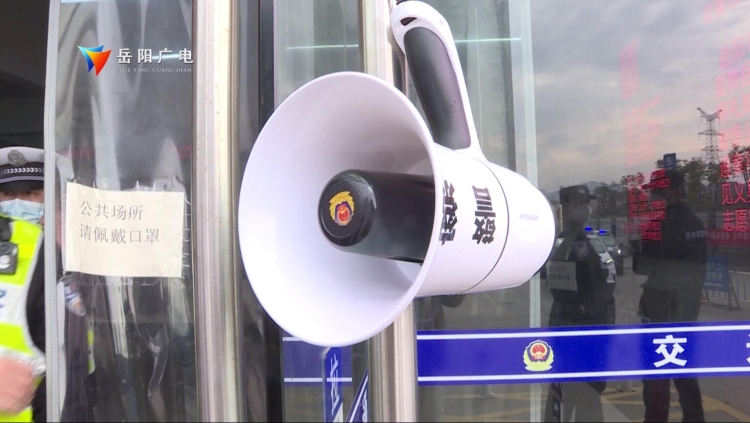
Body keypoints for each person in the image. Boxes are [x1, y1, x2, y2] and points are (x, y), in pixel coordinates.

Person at [0, 147, 93, 422]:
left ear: (52, 200)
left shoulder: (70, 256)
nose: (19, 204)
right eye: (8, 194)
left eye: (31, 194)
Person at [633, 169, 706, 422]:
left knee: (656, 378)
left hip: (659, 311)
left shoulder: (658, 225)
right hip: (687, 310)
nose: (653, 196)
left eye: (657, 191)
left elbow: (641, 266)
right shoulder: (696, 223)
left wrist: (637, 246)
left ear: (672, 191)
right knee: (686, 375)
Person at [544, 185, 614, 422]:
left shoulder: (590, 240)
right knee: (570, 395)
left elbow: (606, 280)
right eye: (578, 203)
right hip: (574, 324)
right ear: (566, 206)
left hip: (586, 325)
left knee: (583, 396)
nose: (585, 208)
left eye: (586, 203)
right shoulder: (561, 242)